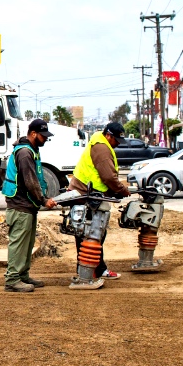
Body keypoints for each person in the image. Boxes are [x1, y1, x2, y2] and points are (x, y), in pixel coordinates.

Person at [67, 120, 131, 287]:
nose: (117, 144)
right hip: (84, 195)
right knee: (88, 234)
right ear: (108, 135)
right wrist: (122, 190)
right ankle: (86, 273)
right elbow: (108, 177)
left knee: (96, 233)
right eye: (116, 140)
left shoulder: (101, 143)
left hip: (91, 194)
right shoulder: (101, 147)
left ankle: (97, 269)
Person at [3, 118, 56, 293]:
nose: (46, 139)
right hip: (20, 204)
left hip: (27, 204)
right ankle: (12, 279)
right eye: (43, 136)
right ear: (33, 134)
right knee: (19, 243)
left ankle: (22, 275)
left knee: (27, 243)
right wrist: (44, 200)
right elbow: (30, 182)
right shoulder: (25, 153)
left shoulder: (31, 150)